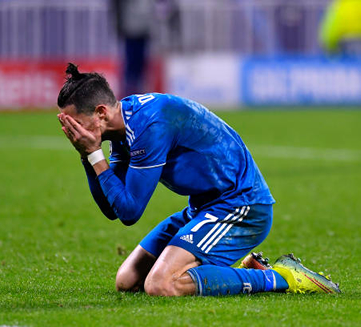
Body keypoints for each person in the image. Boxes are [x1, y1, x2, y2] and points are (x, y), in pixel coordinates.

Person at [57, 63, 340, 296]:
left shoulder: (149, 125)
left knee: (161, 284)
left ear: (101, 113)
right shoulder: (122, 131)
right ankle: (252, 269)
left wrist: (94, 154)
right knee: (127, 280)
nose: (72, 131)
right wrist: (88, 156)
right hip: (203, 208)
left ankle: (280, 278)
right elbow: (113, 208)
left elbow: (130, 212)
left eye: (75, 123)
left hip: (241, 207)